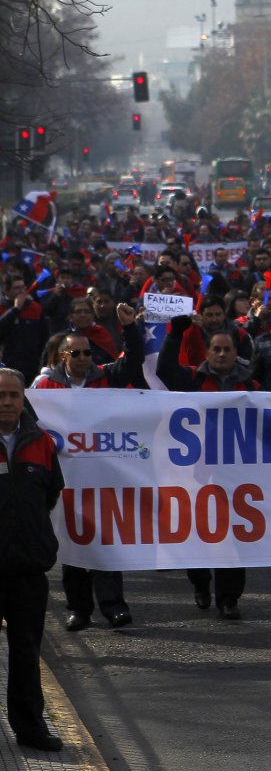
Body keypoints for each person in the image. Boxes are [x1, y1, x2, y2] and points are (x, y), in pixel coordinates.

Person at [32, 307, 144, 630]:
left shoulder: (105, 376)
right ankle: (79, 609)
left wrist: (129, 328)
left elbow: (132, 362)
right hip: (67, 481)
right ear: (63, 356)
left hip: (104, 477)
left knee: (105, 543)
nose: (84, 358)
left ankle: (113, 606)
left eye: (87, 352)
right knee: (73, 546)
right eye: (76, 353)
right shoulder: (45, 389)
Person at [157, 320, 259, 618]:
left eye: (227, 349)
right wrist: (175, 335)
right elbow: (164, 371)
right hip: (195, 475)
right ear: (208, 352)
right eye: (216, 349)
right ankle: (200, 582)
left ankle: (228, 599)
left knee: (233, 539)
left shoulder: (250, 385)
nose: (222, 354)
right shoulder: (193, 380)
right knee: (198, 533)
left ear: (235, 352)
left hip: (235, 475)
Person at [0, 367, 65, 752]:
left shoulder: (41, 443)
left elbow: (50, 495)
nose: (7, 402)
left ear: (24, 399)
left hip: (27, 570)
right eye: (1, 395)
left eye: (13, 395)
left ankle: (30, 728)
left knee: (27, 651)